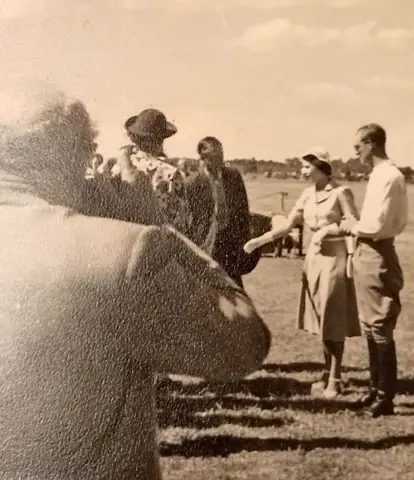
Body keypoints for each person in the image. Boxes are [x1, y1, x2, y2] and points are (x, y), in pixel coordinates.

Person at [0, 80, 271, 480]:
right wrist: (150, 225)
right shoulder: (121, 249)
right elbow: (244, 345)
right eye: (87, 150)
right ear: (64, 153)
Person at [244, 146, 361, 398]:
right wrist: (258, 241)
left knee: (333, 317)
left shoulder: (341, 192)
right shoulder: (307, 194)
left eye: (307, 166)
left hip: (334, 261)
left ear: (321, 168)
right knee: (322, 318)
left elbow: (354, 223)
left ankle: (336, 378)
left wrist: (330, 230)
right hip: (313, 262)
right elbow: (286, 225)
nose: (302, 170)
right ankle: (327, 372)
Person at [339, 124, 408, 417]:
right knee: (369, 324)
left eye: (358, 147)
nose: (356, 153)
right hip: (367, 250)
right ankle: (374, 390)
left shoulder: (389, 176)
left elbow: (377, 225)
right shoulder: (380, 176)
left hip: (375, 250)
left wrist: (350, 225)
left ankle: (384, 396)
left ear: (371, 143)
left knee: (379, 325)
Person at [173, 136, 261, 288]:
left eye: (221, 156)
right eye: (214, 158)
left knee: (234, 287)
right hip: (206, 244)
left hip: (230, 242)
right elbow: (189, 221)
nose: (220, 161)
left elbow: (243, 212)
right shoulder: (191, 184)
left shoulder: (234, 176)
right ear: (203, 157)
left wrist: (244, 240)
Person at [109, 108, 192, 234]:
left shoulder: (118, 167)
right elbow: (183, 224)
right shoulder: (170, 174)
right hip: (155, 244)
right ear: (161, 140)